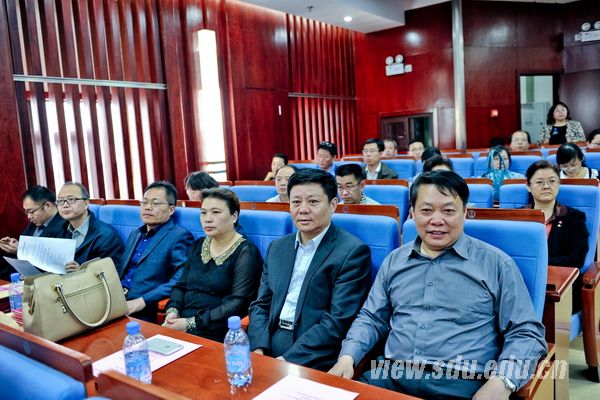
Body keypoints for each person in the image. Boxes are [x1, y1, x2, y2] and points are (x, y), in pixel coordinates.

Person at [329, 170, 547, 399]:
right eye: (426, 210)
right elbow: (372, 318)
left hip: (462, 383)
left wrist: (504, 381)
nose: (436, 220)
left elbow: (526, 332)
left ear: (465, 213)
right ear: (412, 213)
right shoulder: (395, 261)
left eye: (448, 211)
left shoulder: (496, 264)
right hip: (391, 376)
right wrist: (347, 357)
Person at [248, 168, 371, 371]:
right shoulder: (277, 248)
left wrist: (284, 361)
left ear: (333, 204)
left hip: (314, 351)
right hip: (269, 340)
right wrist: (258, 348)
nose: (303, 209)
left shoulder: (352, 252)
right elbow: (261, 304)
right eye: (296, 202)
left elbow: (337, 320)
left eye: (313, 202)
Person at [164, 189, 263, 341]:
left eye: (215, 212)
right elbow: (181, 286)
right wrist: (173, 312)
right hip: (180, 324)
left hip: (217, 330)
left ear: (234, 216)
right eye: (203, 213)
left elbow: (237, 303)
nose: (208, 219)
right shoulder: (198, 244)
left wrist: (191, 323)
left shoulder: (246, 252)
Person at [118, 181, 194, 322]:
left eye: (155, 203)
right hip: (117, 300)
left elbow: (180, 279)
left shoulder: (179, 236)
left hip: (144, 306)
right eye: (144, 202)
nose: (148, 207)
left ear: (171, 210)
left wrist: (142, 301)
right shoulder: (136, 233)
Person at [524, 160, 589, 311]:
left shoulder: (574, 218)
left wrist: (537, 263)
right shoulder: (517, 218)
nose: (546, 186)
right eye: (539, 182)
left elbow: (577, 259)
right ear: (528, 186)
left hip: (560, 288)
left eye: (552, 181)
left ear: (559, 184)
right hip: (523, 283)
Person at [0, 186, 66, 280]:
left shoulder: (64, 225)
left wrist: (21, 250)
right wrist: (16, 245)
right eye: (26, 212)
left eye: (31, 212)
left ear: (47, 206)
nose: (29, 216)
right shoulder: (35, 222)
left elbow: (53, 261)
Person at [57, 182, 124, 272]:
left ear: (86, 203)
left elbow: (113, 273)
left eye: (71, 199)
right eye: (60, 201)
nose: (65, 205)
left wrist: (82, 272)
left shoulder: (106, 236)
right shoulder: (59, 230)